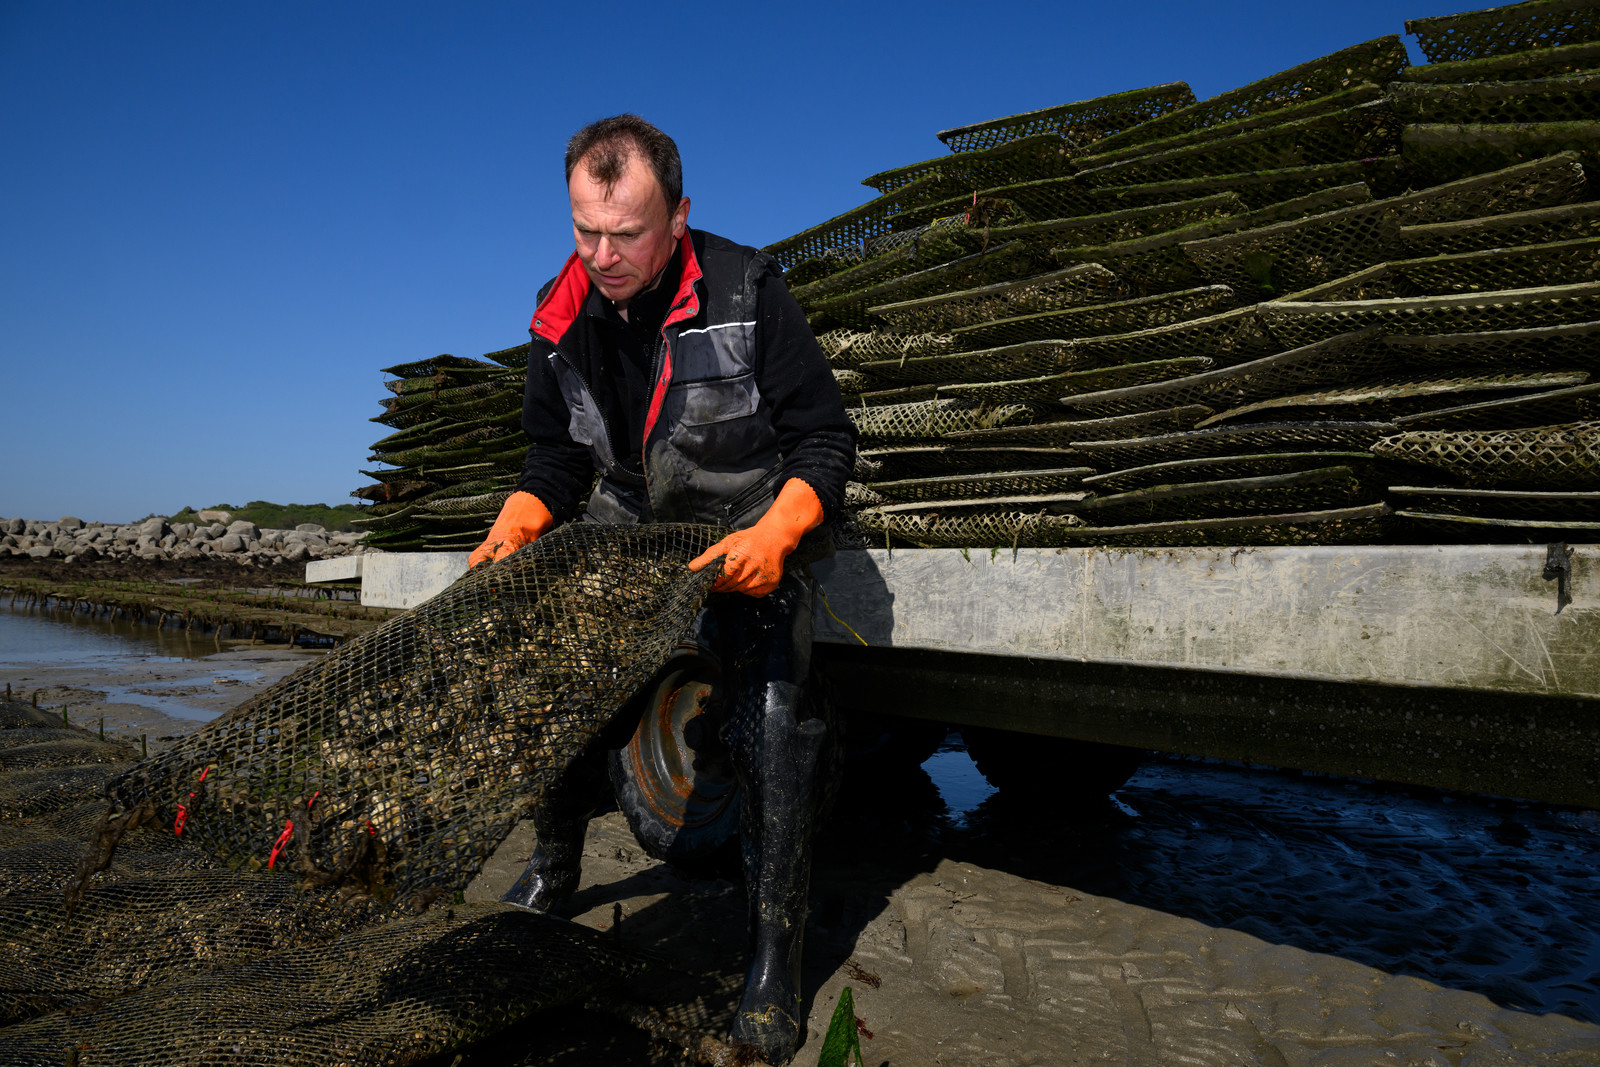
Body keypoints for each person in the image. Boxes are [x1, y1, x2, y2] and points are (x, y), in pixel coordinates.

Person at [468, 114, 855, 1064]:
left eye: (627, 234)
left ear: (678, 216)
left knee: (769, 706)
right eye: (585, 232)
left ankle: (774, 950)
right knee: (533, 649)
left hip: (740, 527)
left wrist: (777, 530)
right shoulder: (558, 315)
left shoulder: (750, 290)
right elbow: (554, 458)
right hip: (627, 527)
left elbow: (825, 441)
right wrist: (517, 520)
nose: (603, 256)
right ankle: (556, 863)